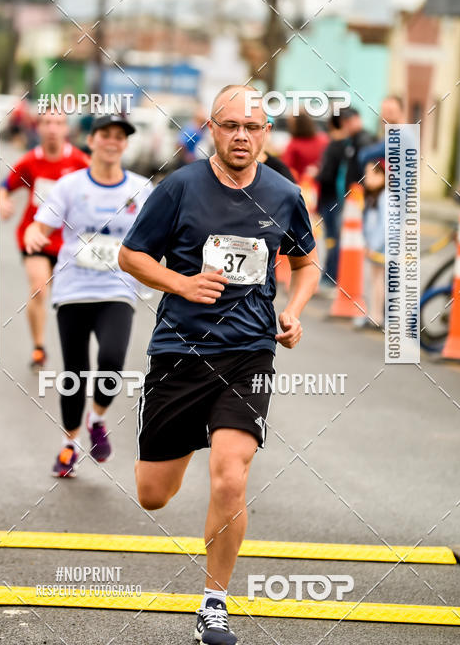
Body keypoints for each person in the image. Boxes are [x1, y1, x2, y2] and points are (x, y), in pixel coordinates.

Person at [118, 84, 320, 645]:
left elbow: (306, 264)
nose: (241, 137)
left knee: (231, 475)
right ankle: (183, 443)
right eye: (231, 126)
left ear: (266, 135)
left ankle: (214, 603)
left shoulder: (283, 194)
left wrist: (295, 311)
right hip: (180, 353)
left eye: (252, 128)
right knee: (154, 492)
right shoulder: (180, 188)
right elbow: (129, 255)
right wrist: (181, 282)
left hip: (250, 352)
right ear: (212, 128)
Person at [23, 115, 151, 477]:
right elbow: (42, 222)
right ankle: (69, 446)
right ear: (91, 140)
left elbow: (162, 233)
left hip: (118, 289)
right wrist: (35, 232)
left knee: (111, 360)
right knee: (74, 372)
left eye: (119, 137)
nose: (112, 142)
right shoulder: (69, 185)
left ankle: (97, 419)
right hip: (74, 289)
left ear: (125, 145)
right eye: (105, 135)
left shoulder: (142, 189)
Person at [0, 109, 90, 370]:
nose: (52, 128)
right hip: (35, 235)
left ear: (66, 129)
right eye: (47, 123)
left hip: (68, 241)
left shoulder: (79, 161)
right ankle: (39, 346)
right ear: (38, 128)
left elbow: (100, 187)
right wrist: (3, 202)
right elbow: (5, 187)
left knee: (70, 298)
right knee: (39, 287)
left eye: (58, 123)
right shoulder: (30, 161)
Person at [316, 113, 347, 290]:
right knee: (334, 239)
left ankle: (330, 276)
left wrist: (317, 174)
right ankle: (333, 275)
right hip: (340, 198)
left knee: (331, 240)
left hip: (330, 199)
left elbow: (326, 175)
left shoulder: (333, 146)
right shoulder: (347, 145)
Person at [355, 160, 386, 329]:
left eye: (373, 174)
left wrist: (374, 245)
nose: (368, 178)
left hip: (381, 249)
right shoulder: (373, 196)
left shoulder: (384, 197)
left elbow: (385, 225)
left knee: (378, 281)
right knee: (374, 280)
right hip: (375, 247)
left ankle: (377, 316)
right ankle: (374, 314)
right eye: (366, 174)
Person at [281, 109, 328, 182]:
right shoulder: (323, 139)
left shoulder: (294, 145)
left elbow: (285, 168)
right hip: (322, 184)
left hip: (302, 185)